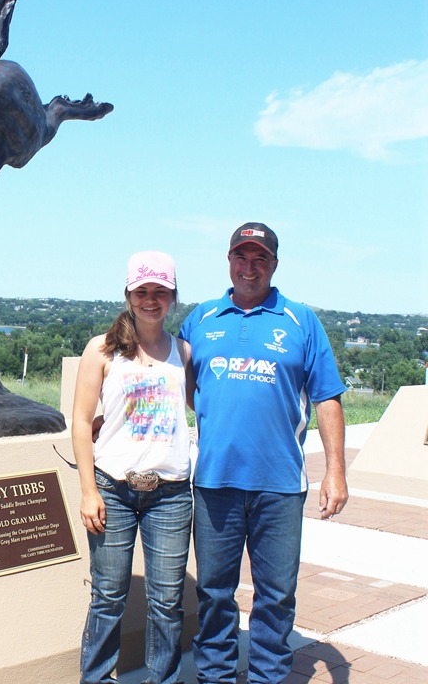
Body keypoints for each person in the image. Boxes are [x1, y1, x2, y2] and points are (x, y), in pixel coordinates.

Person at [179, 222, 348, 684]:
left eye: (260, 260)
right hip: (215, 482)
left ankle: (268, 676)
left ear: (274, 265)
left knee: (276, 594)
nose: (249, 268)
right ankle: (213, 675)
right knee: (214, 592)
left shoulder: (300, 321)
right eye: (241, 257)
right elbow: (179, 387)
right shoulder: (201, 320)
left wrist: (336, 472)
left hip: (280, 485)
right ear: (228, 261)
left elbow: (327, 397)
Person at [72, 251, 193, 684]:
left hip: (171, 493)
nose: (150, 299)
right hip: (113, 489)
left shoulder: (183, 351)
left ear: (173, 296)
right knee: (107, 596)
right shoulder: (102, 350)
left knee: (166, 602)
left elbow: (205, 409)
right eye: (142, 291)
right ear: (128, 294)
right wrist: (89, 491)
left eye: (160, 291)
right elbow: (82, 421)